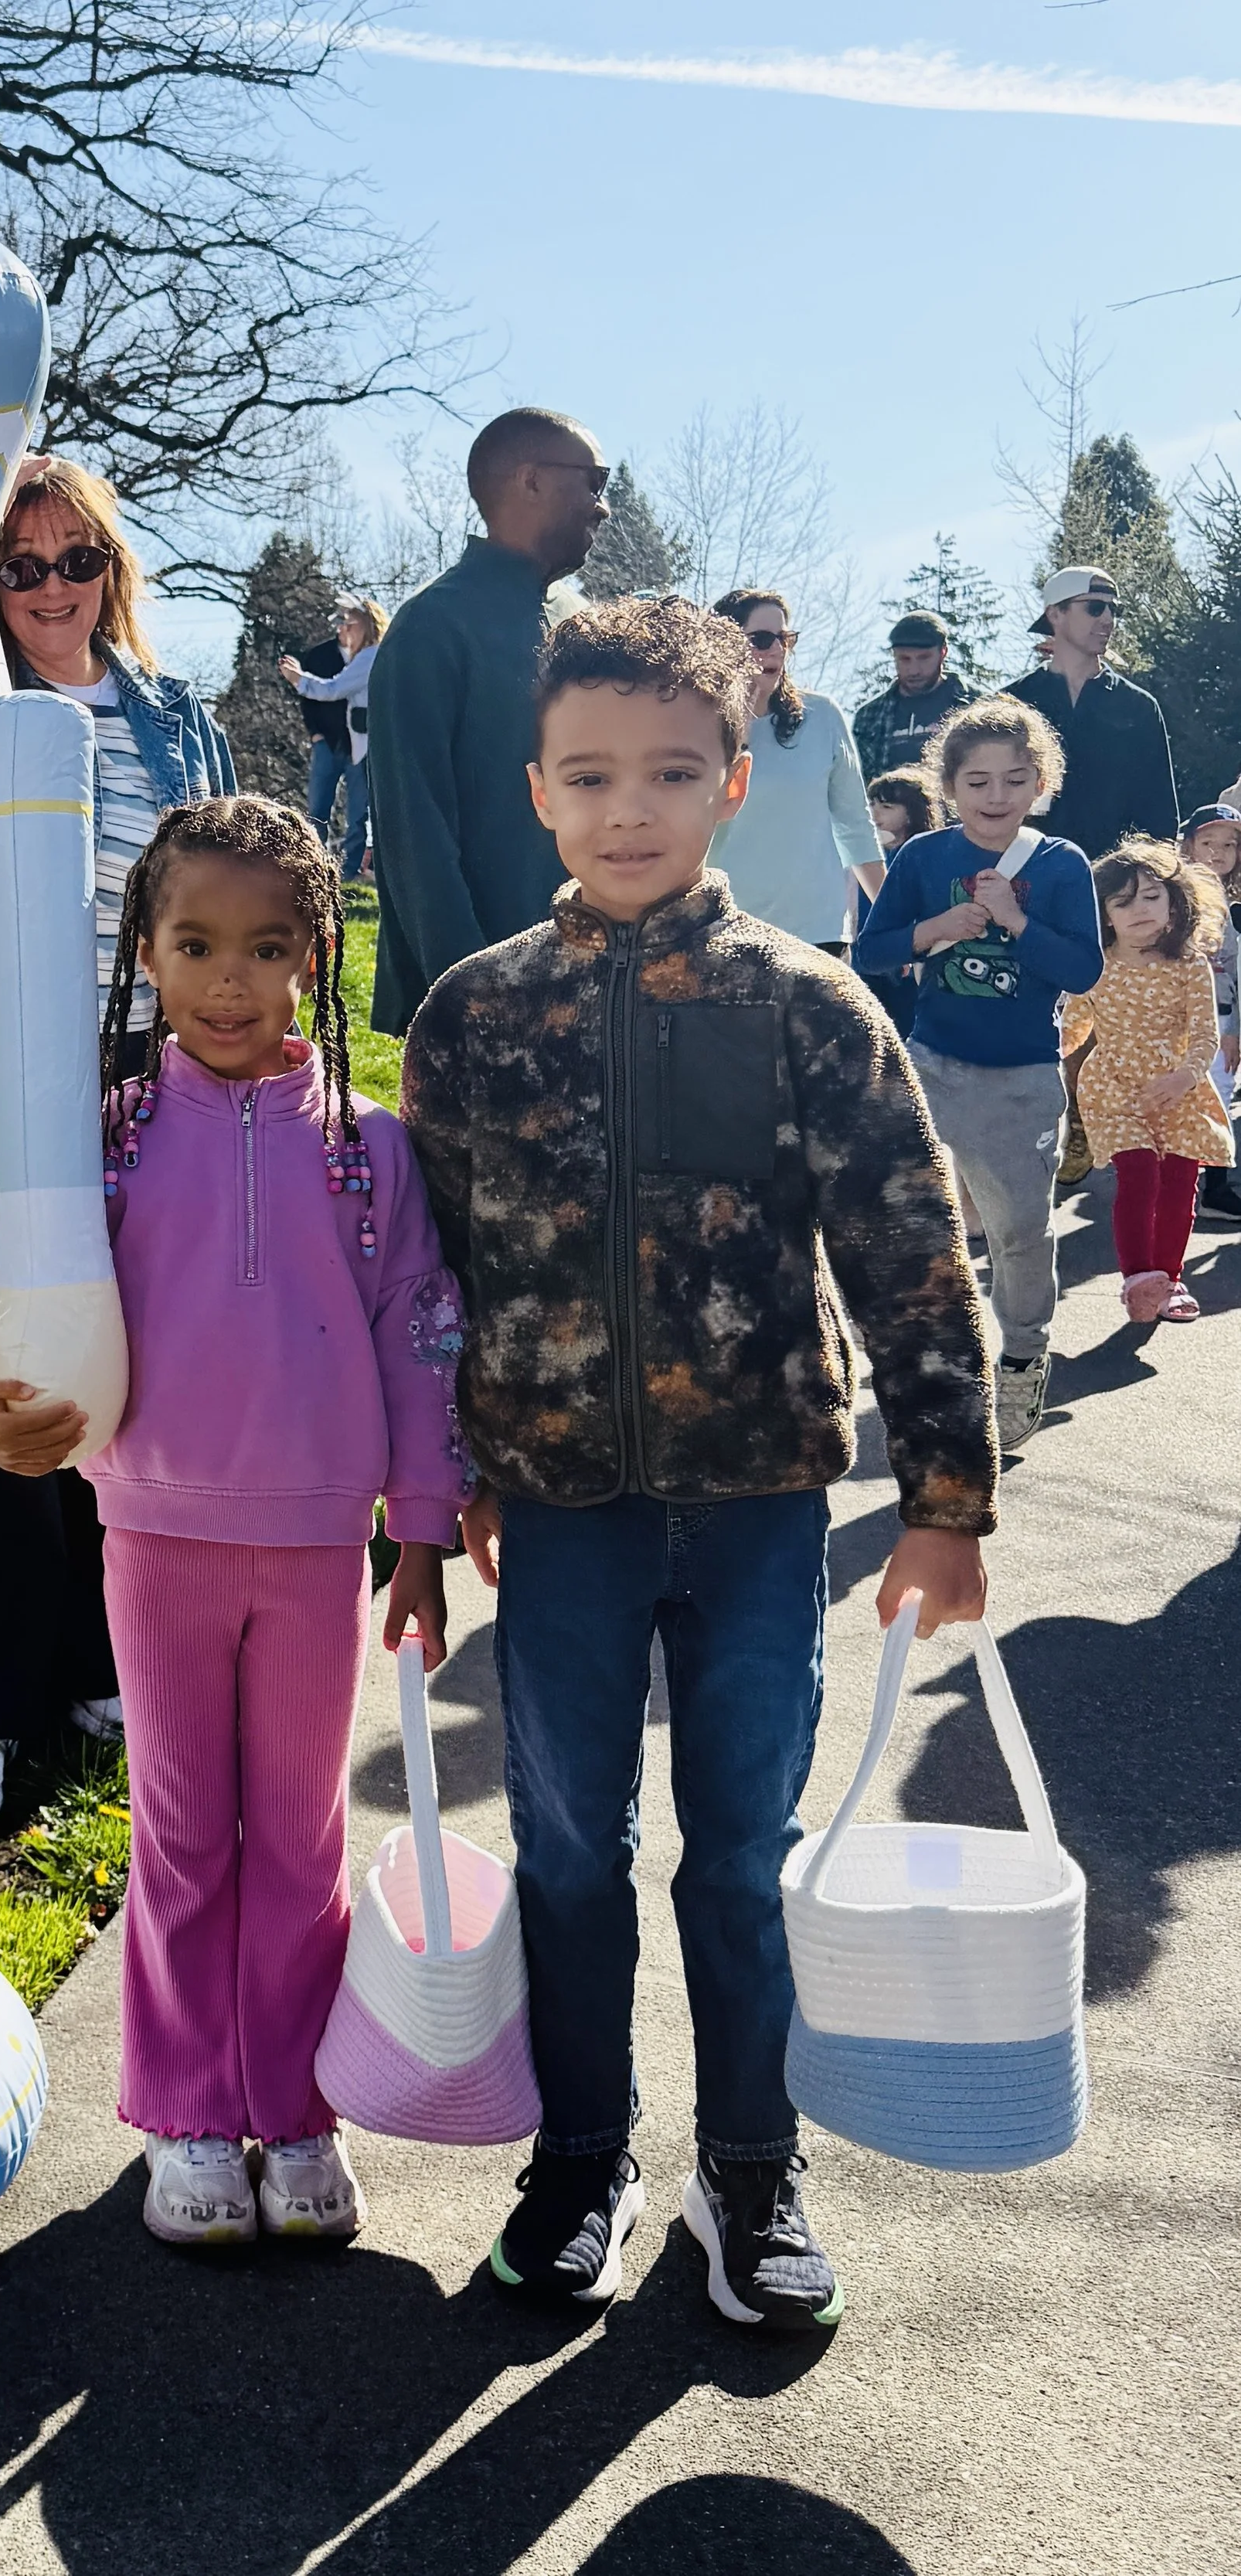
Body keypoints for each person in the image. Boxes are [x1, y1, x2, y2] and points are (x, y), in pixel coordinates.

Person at [399, 597, 994, 2328]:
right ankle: (581, 2153)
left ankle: (748, 2162)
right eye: (588, 775)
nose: (628, 808)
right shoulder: (470, 1018)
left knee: (738, 1854)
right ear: (536, 790)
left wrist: (944, 1500)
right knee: (569, 1854)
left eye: (669, 770)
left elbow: (909, 1246)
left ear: (734, 781)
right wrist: (426, 1508)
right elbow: (420, 1292)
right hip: (557, 1518)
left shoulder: (806, 1007)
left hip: (752, 1510)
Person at [0, 795, 469, 2245]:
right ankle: (183, 2114)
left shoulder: (373, 1148)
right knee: (180, 1833)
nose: (232, 980)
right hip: (152, 1535)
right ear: (147, 956)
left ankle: (294, 2108)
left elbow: (424, 1330)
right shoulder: (94, 1140)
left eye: (268, 947)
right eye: (198, 943)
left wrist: (420, 1525)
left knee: (297, 1837)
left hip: (316, 1549)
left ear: (315, 957)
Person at [0, 454, 235, 1819]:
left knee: (124, 1377)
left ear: (115, 566)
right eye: (22, 565)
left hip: (134, 1083)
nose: (52, 588)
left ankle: (98, 1655)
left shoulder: (179, 720)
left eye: (76, 559)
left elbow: (220, 898)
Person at [852, 698, 1104, 1451]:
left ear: (1039, 785)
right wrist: (934, 930)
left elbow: (1084, 969)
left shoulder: (1059, 864)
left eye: (1013, 780)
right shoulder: (923, 858)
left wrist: (1016, 922)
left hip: (1024, 1076)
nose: (995, 797)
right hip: (932, 1061)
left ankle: (1023, 1353)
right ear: (951, 787)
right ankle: (924, 1356)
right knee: (907, 1216)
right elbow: (871, 952)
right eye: (977, 782)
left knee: (1021, 1230)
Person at [366, 406, 612, 1034]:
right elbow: (412, 831)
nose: (602, 505)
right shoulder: (432, 626)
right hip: (487, 1010)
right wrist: (473, 995)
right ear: (529, 480)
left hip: (595, 991)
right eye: (594, 480)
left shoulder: (578, 621)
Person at [1058, 838, 1232, 1323]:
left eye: (1153, 896)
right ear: (1104, 914)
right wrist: (1036, 1058)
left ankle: (1170, 1280)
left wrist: (1184, 1077)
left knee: (1180, 1185)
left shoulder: (1191, 965)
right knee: (1138, 1175)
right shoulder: (1095, 967)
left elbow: (1204, 1034)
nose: (1140, 908)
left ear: (1176, 906)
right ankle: (1139, 1280)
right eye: (1123, 900)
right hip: (1114, 1087)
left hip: (1180, 1090)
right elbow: (1071, 1030)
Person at [707, 589, 886, 951]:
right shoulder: (692, 724)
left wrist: (889, 915)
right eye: (760, 639)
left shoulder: (823, 716)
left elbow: (855, 824)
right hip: (723, 930)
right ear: (723, 645)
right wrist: (736, 725)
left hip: (818, 932)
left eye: (784, 639)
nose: (775, 649)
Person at [1005, 567, 1178, 855]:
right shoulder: (1012, 702)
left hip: (1116, 882)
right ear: (1055, 614)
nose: (1108, 619)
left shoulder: (1139, 706)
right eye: (1094, 608)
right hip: (1025, 875)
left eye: (1114, 610)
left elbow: (1160, 812)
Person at [279, 593, 386, 880]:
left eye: (350, 625)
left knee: (359, 813)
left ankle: (349, 873)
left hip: (366, 746)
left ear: (366, 625)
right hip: (360, 745)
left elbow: (333, 689)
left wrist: (299, 679)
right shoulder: (369, 656)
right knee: (339, 811)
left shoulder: (370, 656)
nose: (343, 631)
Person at [1178, 804, 1241, 1215]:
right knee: (1186, 1105)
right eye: (1208, 842)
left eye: (1230, 845)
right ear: (1188, 846)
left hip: (1221, 1022)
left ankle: (1214, 1189)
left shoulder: (1227, 903)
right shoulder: (1169, 894)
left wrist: (1234, 1027)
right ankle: (1186, 1191)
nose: (1218, 852)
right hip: (1183, 1023)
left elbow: (1232, 970)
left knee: (1219, 1098)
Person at [855, 767, 944, 1039]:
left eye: (886, 806)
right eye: (870, 804)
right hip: (864, 961)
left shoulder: (926, 855)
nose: (874, 812)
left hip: (907, 965)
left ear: (913, 811)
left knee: (906, 1034)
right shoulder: (865, 855)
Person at [851, 611, 976, 781]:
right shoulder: (869, 717)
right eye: (905, 659)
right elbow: (858, 785)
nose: (914, 670)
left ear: (943, 652)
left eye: (924, 658)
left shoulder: (975, 706)